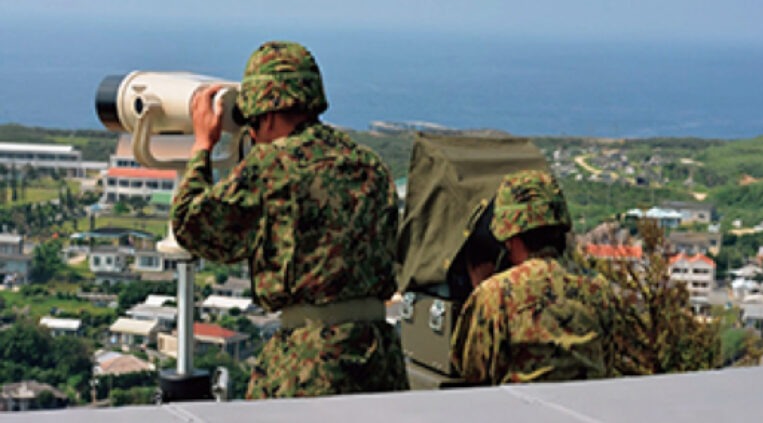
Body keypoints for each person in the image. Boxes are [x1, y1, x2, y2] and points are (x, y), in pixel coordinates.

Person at [171, 41, 409, 398]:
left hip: (312, 362)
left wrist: (202, 146)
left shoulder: (272, 165)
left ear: (265, 115)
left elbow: (192, 225)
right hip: (378, 358)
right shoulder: (368, 164)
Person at [450, 169, 614, 385]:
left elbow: (472, 373)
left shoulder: (495, 295)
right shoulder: (598, 287)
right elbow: (608, 360)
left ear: (510, 237)